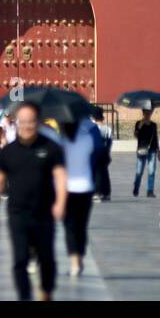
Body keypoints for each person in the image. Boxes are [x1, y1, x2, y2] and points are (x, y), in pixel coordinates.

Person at [0, 102, 67, 302]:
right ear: (16, 123)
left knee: (46, 258)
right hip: (18, 213)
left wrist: (60, 203)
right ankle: (24, 296)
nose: (26, 126)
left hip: (44, 213)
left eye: (31, 121)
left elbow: (60, 176)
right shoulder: (8, 151)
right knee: (20, 259)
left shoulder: (51, 148)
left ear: (38, 122)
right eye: (22, 121)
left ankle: (46, 292)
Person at [59, 116, 102, 277]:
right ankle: (81, 257)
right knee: (81, 226)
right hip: (86, 187)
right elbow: (98, 152)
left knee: (69, 227)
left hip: (67, 189)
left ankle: (74, 262)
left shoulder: (61, 142)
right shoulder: (87, 138)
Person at [132, 107, 160, 197]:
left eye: (150, 112)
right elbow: (136, 135)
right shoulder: (138, 123)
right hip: (141, 149)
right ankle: (136, 187)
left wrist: (158, 150)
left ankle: (150, 191)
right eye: (146, 112)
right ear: (143, 113)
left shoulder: (153, 125)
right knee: (139, 171)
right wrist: (140, 125)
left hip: (152, 150)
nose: (148, 114)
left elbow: (155, 138)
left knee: (152, 171)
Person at [92, 106, 113, 202]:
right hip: (105, 152)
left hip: (95, 152)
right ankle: (106, 193)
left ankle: (97, 193)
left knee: (97, 173)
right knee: (105, 172)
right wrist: (107, 152)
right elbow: (110, 141)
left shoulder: (93, 128)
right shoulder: (107, 128)